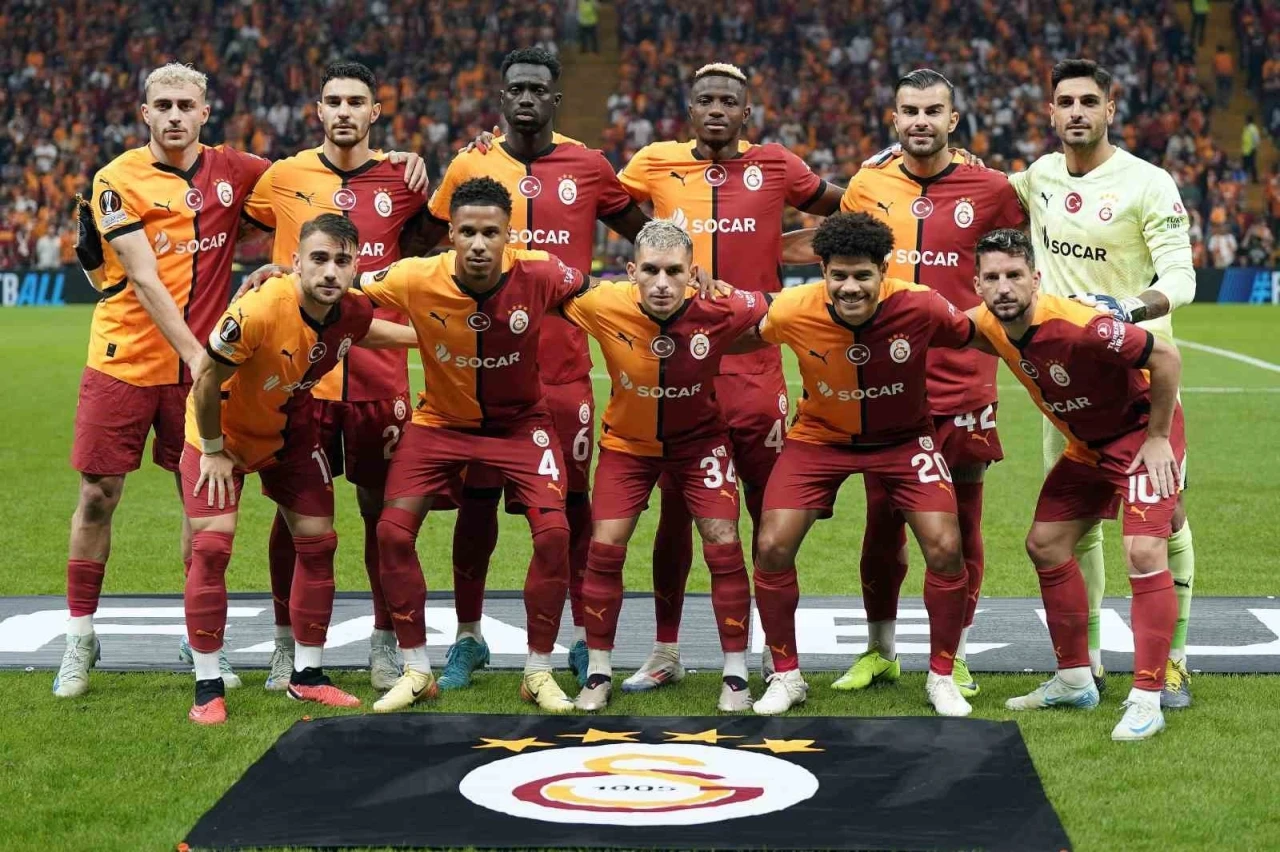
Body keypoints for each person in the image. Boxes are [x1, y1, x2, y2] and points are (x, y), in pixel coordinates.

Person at [402, 47, 649, 691]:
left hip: (564, 373)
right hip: (482, 376)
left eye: (538, 90)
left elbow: (642, 232)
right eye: (517, 89)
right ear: (502, 97)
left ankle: (578, 638)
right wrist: (405, 169)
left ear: (554, 99)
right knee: (476, 503)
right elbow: (420, 242)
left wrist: (686, 268)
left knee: (572, 508)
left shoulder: (589, 166)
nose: (527, 99)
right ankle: (468, 636)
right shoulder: (471, 164)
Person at [616, 62, 844, 692]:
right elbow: (596, 198)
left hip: (756, 366)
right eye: (706, 100)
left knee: (769, 515)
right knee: (674, 515)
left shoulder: (778, 164)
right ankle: (665, 650)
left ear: (747, 113)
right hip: (681, 367)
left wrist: (790, 242)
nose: (716, 109)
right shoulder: (655, 161)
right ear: (689, 110)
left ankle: (776, 651)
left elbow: (852, 204)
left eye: (728, 101)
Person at [54, 63, 270, 698]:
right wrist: (201, 357)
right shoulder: (116, 178)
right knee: (98, 494)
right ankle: (80, 637)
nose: (175, 115)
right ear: (144, 113)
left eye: (186, 105)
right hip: (123, 360)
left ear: (206, 112)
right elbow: (145, 278)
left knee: (199, 501)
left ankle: (197, 636)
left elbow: (307, 187)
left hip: (195, 374)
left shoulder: (236, 170)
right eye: (164, 105)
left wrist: (394, 159)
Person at [366, 177, 605, 714]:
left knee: (555, 534)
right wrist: (283, 277)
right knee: (391, 532)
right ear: (450, 234)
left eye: (490, 233)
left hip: (521, 426)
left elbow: (604, 296)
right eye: (468, 232)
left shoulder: (541, 272)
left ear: (508, 235)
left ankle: (537, 671)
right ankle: (417, 671)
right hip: (440, 425)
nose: (478, 244)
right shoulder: (413, 275)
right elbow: (341, 292)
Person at [822, 69, 1026, 698]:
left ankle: (954, 654)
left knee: (962, 524)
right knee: (882, 521)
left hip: (963, 384)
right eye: (910, 111)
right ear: (894, 119)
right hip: (884, 386)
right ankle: (880, 650)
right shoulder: (867, 184)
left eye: (933, 111)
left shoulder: (992, 189)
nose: (921, 121)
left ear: (952, 120)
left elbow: (1016, 268)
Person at [1005, 59, 1197, 709]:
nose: (1077, 111)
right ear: (1051, 112)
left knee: (1165, 520)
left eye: (1090, 100)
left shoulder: (1149, 183)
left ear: (1111, 108)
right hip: (1062, 391)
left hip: (1140, 376)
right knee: (1073, 525)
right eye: (1066, 101)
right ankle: (1082, 665)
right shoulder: (1039, 176)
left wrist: (1127, 309)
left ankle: (1173, 662)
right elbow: (977, 188)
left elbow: (1181, 276)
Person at [737, 212, 977, 718]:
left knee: (946, 546)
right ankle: (786, 676)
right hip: (819, 439)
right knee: (772, 545)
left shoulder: (921, 304)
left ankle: (941, 677)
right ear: (822, 271)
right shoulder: (791, 309)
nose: (850, 287)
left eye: (863, 275)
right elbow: (739, 335)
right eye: (839, 275)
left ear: (883, 270)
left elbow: (977, 332)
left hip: (905, 441)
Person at [182, 214, 418, 725]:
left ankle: (307, 677)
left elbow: (364, 331)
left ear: (355, 266)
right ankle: (207, 686)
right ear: (296, 262)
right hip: (221, 436)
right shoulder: (260, 308)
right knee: (212, 547)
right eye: (319, 259)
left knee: (318, 542)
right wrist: (214, 449)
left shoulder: (349, 309)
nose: (330, 271)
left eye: (341, 261)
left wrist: (430, 339)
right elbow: (205, 380)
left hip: (289, 433)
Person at [239, 61, 428, 692]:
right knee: (292, 517)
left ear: (376, 111)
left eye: (356, 101)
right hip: (300, 382)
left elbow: (432, 242)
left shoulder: (405, 179)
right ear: (317, 110)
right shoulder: (283, 176)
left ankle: (383, 642)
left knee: (384, 517)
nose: (344, 111)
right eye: (333, 101)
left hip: (379, 377)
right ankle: (285, 644)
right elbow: (231, 224)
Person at [970, 229, 1184, 742]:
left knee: (1143, 552)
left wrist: (1159, 438)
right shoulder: (985, 324)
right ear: (977, 285)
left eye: (1014, 275)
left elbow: (1166, 358)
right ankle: (1073, 680)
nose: (1004, 287)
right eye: (992, 277)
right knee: (1045, 544)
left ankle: (1147, 697)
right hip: (1087, 447)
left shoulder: (1083, 325)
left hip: (1141, 437)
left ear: (1035, 278)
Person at [560, 219, 765, 713]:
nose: (661, 283)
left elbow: (780, 310)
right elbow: (538, 286)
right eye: (650, 270)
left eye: (674, 271)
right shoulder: (602, 302)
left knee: (723, 541)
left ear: (693, 274)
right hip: (627, 446)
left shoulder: (721, 305)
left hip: (701, 445)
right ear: (631, 271)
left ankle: (736, 675)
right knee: (605, 547)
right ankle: (599, 673)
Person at [1242, 115, 1261, 183]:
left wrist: (1255, 147)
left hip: (1251, 149)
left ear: (1248, 120)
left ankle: (1254, 179)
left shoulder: (1253, 129)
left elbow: (1256, 139)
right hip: (1246, 149)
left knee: (1252, 164)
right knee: (1245, 165)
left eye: (1246, 120)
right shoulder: (1246, 128)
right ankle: (1244, 178)